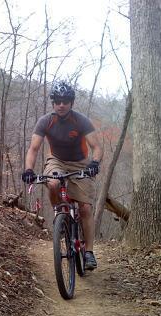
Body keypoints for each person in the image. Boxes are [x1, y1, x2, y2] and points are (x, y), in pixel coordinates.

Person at [21, 81, 103, 270]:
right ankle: (60, 213)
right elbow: (33, 149)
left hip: (80, 162)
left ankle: (89, 252)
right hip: (56, 160)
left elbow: (97, 147)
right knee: (52, 183)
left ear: (71, 102)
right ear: (53, 103)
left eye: (65, 101)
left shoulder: (80, 120)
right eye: (57, 101)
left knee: (84, 208)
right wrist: (28, 170)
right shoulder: (46, 121)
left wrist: (94, 163)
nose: (61, 105)